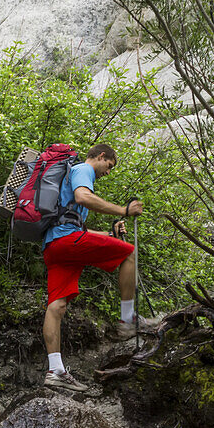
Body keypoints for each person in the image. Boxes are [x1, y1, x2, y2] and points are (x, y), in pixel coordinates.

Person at [41, 143, 147, 393]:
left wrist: (109, 233)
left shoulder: (71, 176)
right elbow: (83, 198)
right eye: (108, 166)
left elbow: (78, 228)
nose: (107, 172)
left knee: (57, 305)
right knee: (129, 253)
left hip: (55, 246)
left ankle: (54, 370)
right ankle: (127, 319)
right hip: (66, 242)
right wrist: (124, 210)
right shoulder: (82, 170)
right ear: (101, 156)